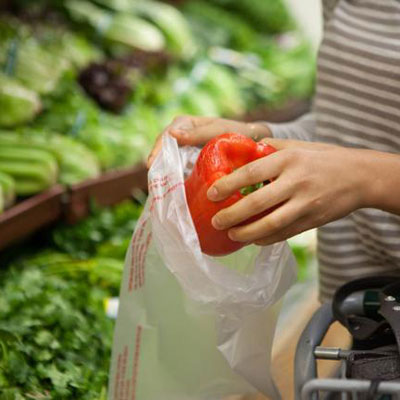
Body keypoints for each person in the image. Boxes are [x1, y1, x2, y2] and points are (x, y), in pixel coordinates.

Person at [147, 0, 400, 302]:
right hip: (359, 305)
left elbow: (357, 163)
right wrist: (259, 139)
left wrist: (368, 179)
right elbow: (347, 124)